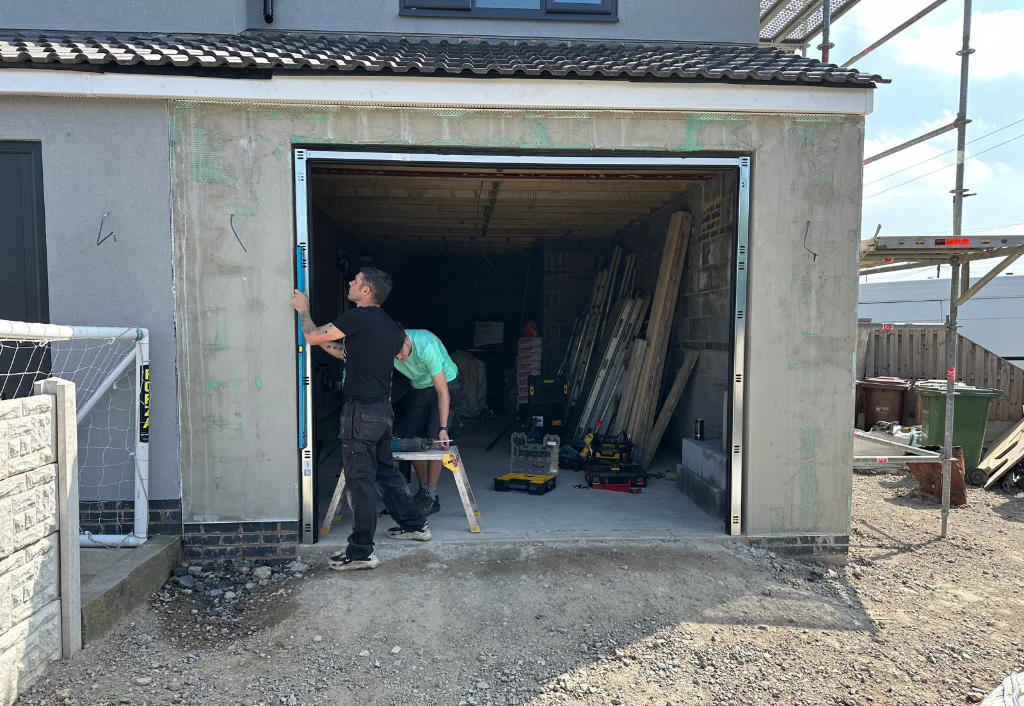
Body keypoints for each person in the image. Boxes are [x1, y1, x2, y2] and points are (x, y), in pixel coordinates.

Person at [290, 267, 431, 572]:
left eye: (355, 281)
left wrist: (304, 310)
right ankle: (414, 524)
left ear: (366, 291)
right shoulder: (390, 326)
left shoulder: (357, 317)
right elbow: (398, 354)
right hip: (382, 410)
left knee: (360, 481)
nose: (350, 284)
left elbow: (313, 337)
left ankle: (361, 552)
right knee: (386, 472)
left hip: (360, 412)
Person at [393, 329, 460, 516]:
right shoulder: (387, 347)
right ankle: (422, 489)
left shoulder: (426, 346)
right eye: (394, 355)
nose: (399, 357)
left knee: (436, 442)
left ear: (407, 340)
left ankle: (432, 495)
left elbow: (442, 392)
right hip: (419, 387)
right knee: (412, 440)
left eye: (400, 351)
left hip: (445, 384)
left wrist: (444, 428)